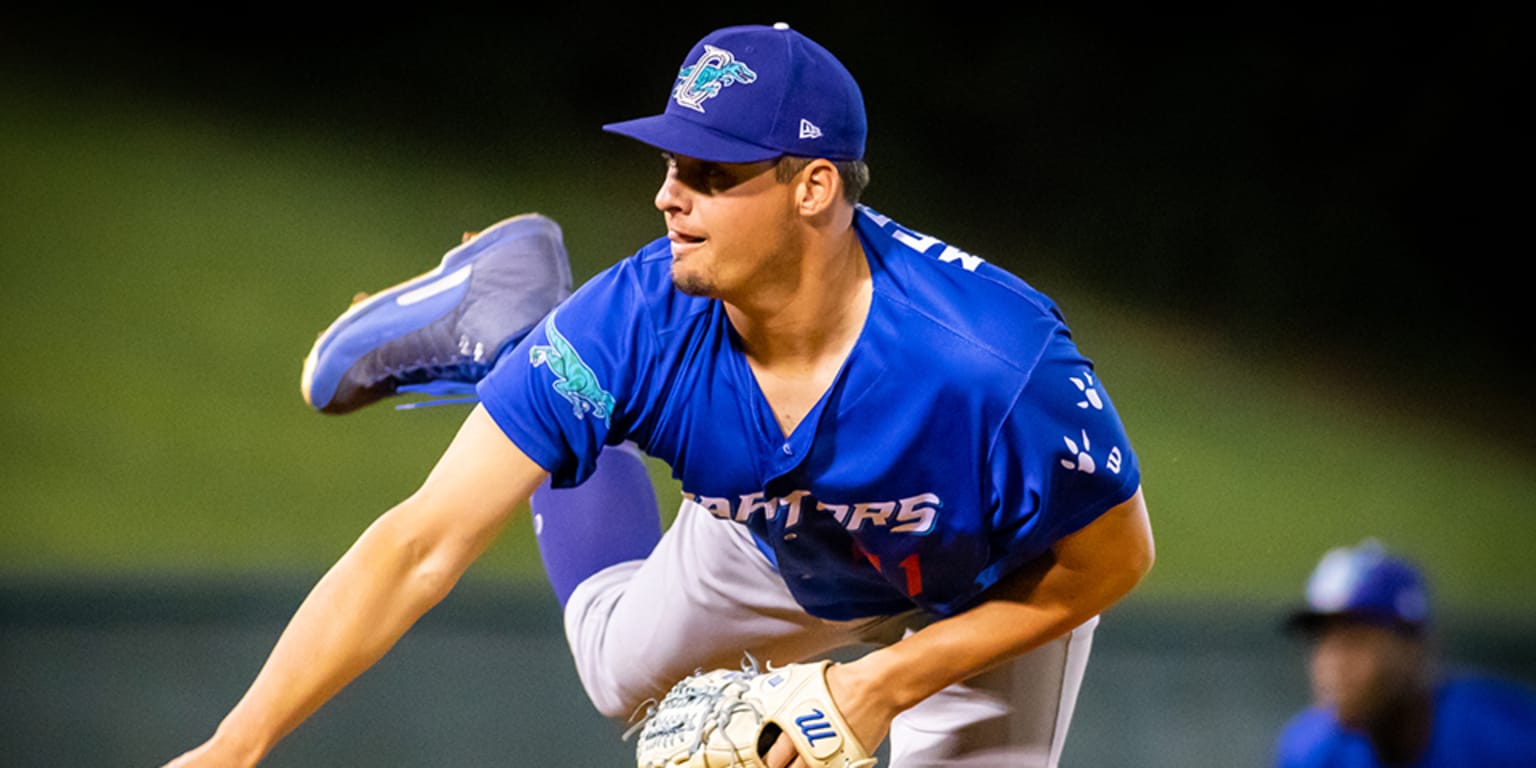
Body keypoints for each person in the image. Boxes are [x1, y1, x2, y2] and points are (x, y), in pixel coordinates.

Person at [164, 22, 1154, 768]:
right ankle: (519, 333)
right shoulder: (638, 319)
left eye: (708, 172)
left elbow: (1112, 562)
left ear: (813, 188)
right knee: (616, 676)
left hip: (986, 586)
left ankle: (519, 342)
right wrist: (234, 746)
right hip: (775, 543)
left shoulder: (993, 361)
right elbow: (421, 544)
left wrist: (878, 684)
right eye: (669, 161)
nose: (666, 194)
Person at [1274, 539, 1536, 767]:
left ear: (1416, 649)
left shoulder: (1504, 736)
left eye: (1356, 641)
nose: (1333, 664)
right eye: (1322, 642)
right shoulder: (1308, 751)